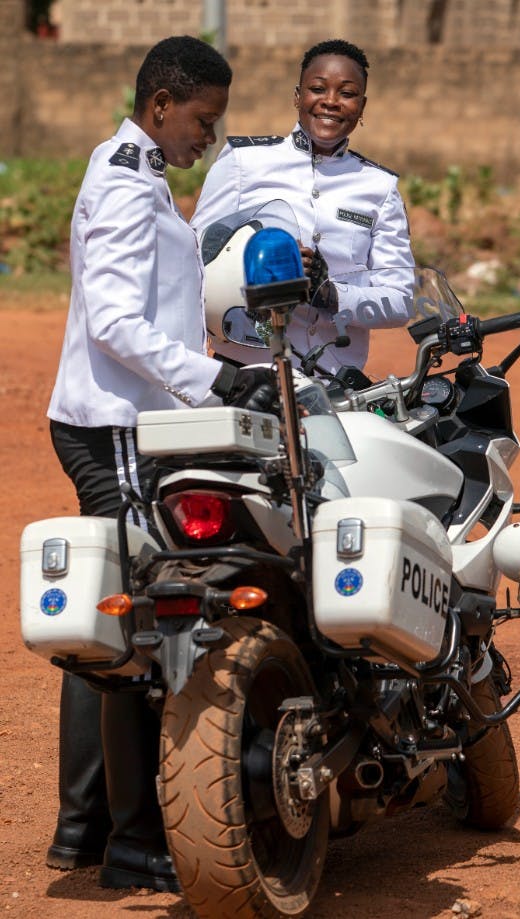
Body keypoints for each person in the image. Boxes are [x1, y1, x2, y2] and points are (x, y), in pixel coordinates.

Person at [46, 35, 273, 894]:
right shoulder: (120, 178)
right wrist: (207, 376)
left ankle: (86, 825)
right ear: (162, 103)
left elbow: (156, 315)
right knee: (146, 630)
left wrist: (229, 365)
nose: (207, 139)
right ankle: (136, 839)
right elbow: (111, 321)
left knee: (112, 622)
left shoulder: (138, 174)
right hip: (112, 430)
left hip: (129, 423)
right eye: (202, 121)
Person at [192, 38, 415, 371]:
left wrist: (331, 295)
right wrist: (266, 271)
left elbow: (401, 300)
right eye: (318, 89)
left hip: (335, 384)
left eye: (347, 93)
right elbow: (195, 259)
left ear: (362, 106)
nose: (331, 102)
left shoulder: (379, 187)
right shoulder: (244, 162)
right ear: (298, 96)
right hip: (249, 374)